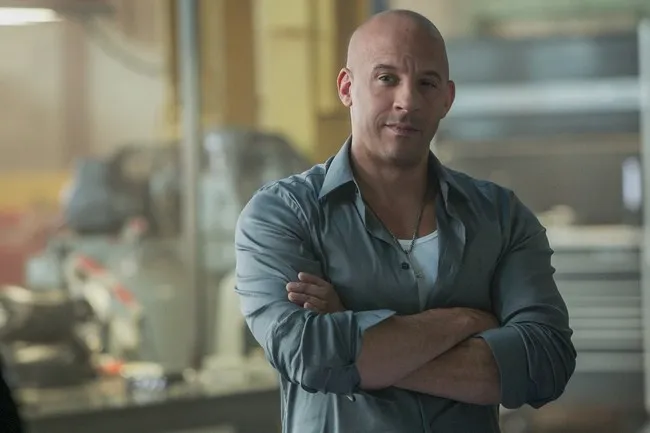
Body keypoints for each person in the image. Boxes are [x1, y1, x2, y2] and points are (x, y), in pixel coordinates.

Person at [234, 8, 576, 432]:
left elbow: (545, 363)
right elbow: (309, 355)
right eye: (386, 78)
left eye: (426, 83)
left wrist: (356, 334)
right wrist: (466, 321)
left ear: (447, 98)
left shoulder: (500, 217)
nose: (408, 101)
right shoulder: (283, 214)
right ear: (347, 87)